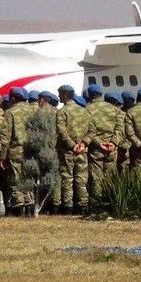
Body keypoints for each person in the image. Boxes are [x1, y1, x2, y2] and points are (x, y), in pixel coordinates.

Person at [83, 85, 124, 209]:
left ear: (90, 95)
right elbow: (120, 129)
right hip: (112, 148)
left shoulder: (87, 109)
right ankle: (110, 203)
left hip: (96, 148)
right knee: (110, 177)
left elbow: (88, 130)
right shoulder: (114, 110)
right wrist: (113, 142)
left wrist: (98, 143)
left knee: (96, 178)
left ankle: (97, 206)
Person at [56, 85, 91, 214]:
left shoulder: (62, 112)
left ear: (65, 95)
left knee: (67, 179)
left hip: (68, 152)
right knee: (81, 180)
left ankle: (68, 208)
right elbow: (92, 130)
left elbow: (61, 131)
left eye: (60, 94)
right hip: (82, 151)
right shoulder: (84, 111)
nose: (59, 96)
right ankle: (83, 207)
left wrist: (72, 145)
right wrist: (84, 143)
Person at [3, 88, 35, 216]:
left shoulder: (10, 113)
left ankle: (19, 208)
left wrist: (2, 156)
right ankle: (29, 206)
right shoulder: (33, 111)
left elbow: (6, 136)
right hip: (30, 151)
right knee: (28, 179)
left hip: (15, 151)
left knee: (15, 180)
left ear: (13, 99)